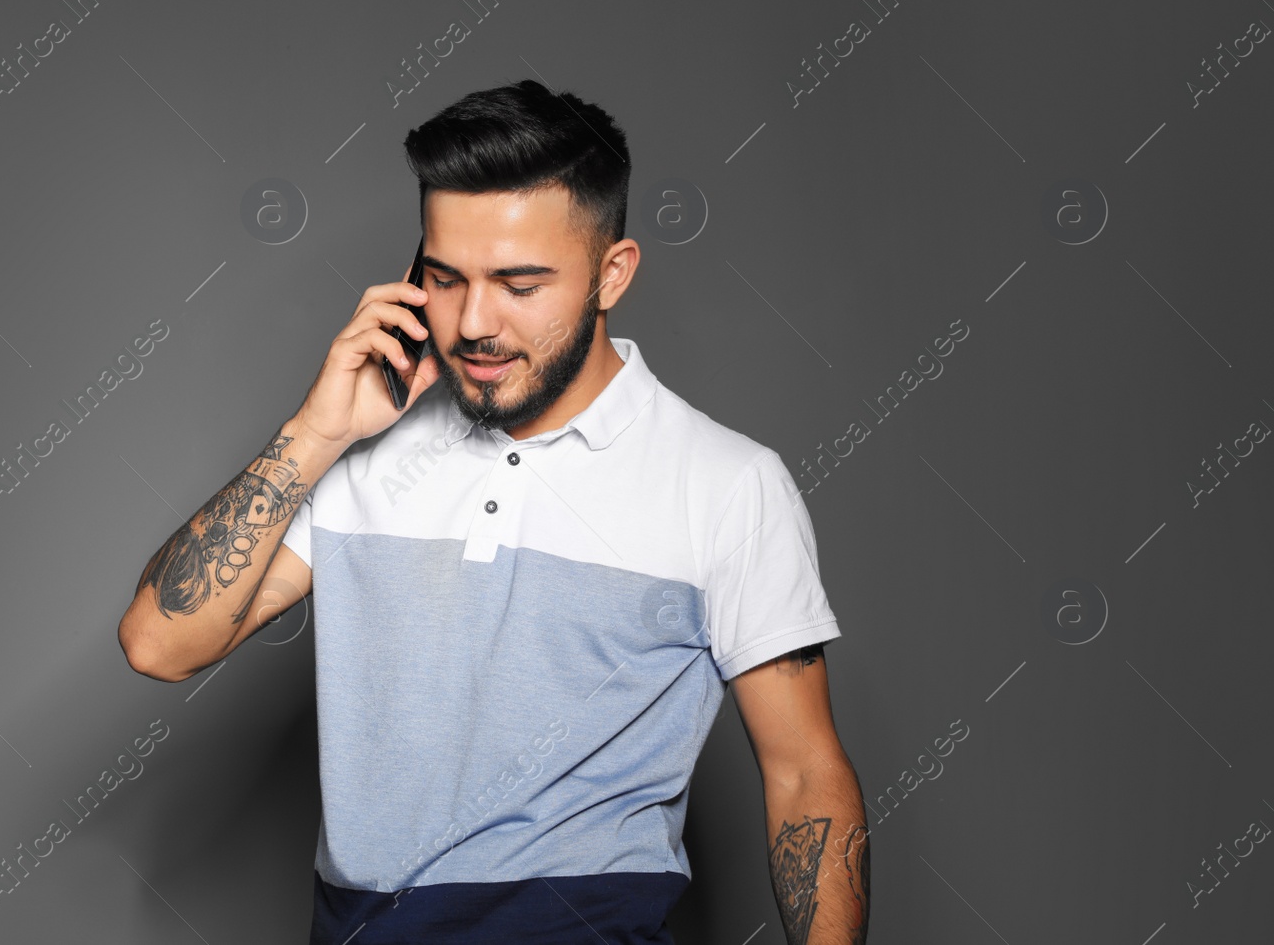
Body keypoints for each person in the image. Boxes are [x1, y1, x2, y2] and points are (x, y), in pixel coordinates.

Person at [117, 79, 870, 944]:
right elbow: (158, 642)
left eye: (520, 283)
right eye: (445, 279)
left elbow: (806, 773)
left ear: (611, 273)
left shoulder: (727, 483)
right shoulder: (363, 456)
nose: (474, 322)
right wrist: (317, 429)